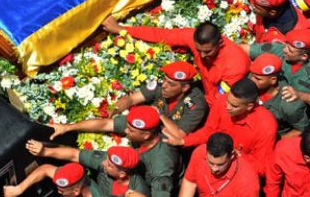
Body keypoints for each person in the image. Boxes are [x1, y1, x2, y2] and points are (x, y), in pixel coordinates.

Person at [103, 17, 249, 104]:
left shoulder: (236, 64)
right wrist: (120, 29)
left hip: (222, 105)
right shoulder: (193, 37)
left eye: (208, 52)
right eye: (199, 51)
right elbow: (161, 35)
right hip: (205, 93)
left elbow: (220, 100)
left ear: (220, 43)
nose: (202, 56)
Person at [47, 105, 177, 197]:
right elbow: (105, 124)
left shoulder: (161, 165)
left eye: (130, 131)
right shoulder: (136, 126)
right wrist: (68, 127)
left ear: (146, 135)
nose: (126, 131)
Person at [169, 79, 277, 177]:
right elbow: (209, 131)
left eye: (234, 106)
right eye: (228, 101)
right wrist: (183, 141)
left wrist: (235, 154)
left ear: (249, 106)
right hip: (213, 162)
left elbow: (262, 167)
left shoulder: (266, 124)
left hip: (241, 173)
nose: (227, 107)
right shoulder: (222, 101)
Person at [112, 61, 208, 137]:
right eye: (165, 79)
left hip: (165, 141)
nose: (164, 85)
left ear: (185, 88)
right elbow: (131, 100)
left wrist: (160, 115)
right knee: (109, 123)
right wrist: (111, 111)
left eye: (170, 83)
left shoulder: (195, 103)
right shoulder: (161, 84)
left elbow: (179, 134)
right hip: (145, 128)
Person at [249, 28, 310, 109]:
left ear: (304, 56)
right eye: (286, 45)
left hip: (301, 113)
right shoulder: (280, 49)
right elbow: (245, 49)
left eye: (290, 50)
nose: (284, 50)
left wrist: (300, 95)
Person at [22, 141, 149, 196]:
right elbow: (74, 154)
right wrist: (44, 151)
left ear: (122, 174)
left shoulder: (138, 190)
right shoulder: (108, 162)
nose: (103, 163)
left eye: (109, 165)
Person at [178, 132, 260, 197]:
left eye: (220, 164)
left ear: (232, 155)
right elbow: (190, 183)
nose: (214, 169)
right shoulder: (199, 153)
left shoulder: (248, 183)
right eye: (211, 163)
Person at [248, 53, 309, 136]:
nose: (252, 80)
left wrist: (277, 142)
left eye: (258, 79)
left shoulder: (289, 105)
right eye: (252, 75)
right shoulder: (252, 79)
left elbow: (301, 130)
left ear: (273, 80)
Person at [246, 0, 310, 40]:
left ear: (272, 12)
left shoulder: (299, 31)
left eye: (256, 7)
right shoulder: (267, 9)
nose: (253, 7)